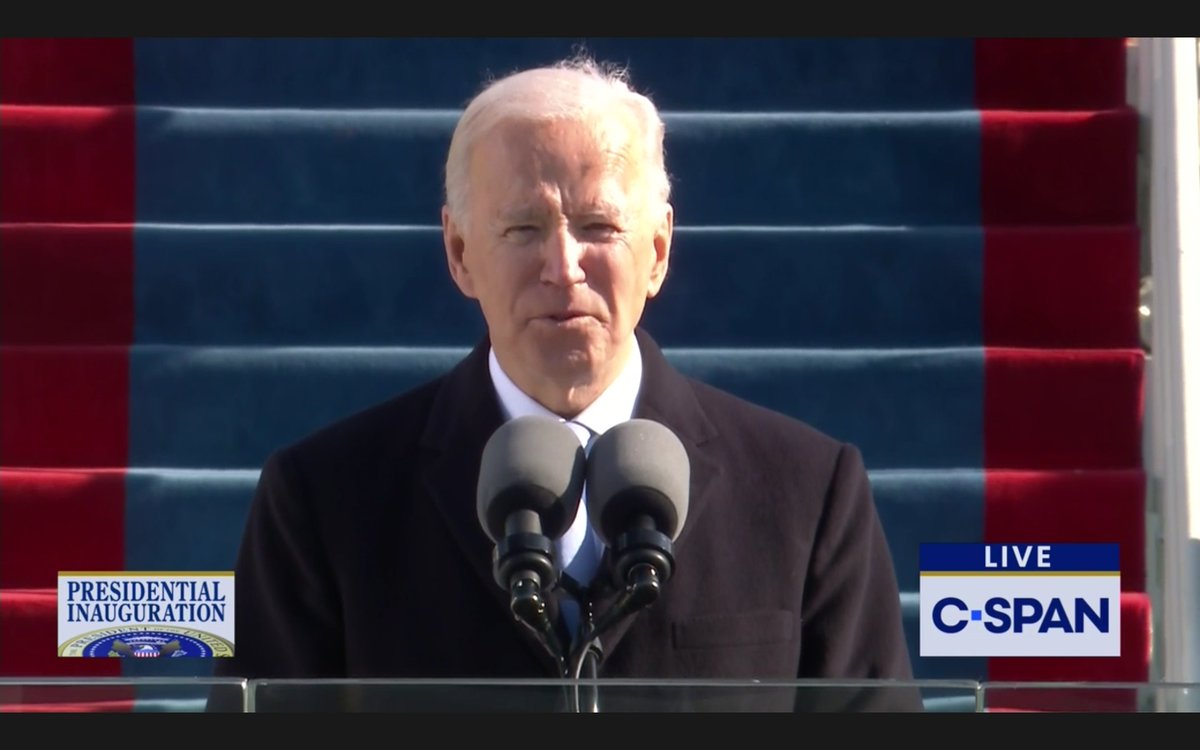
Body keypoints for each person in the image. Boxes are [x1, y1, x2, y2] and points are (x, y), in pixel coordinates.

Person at [211, 54, 920, 712]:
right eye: (522, 228)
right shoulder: (322, 498)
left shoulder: (807, 490)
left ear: (658, 252)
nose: (564, 265)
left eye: (599, 226)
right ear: (459, 253)